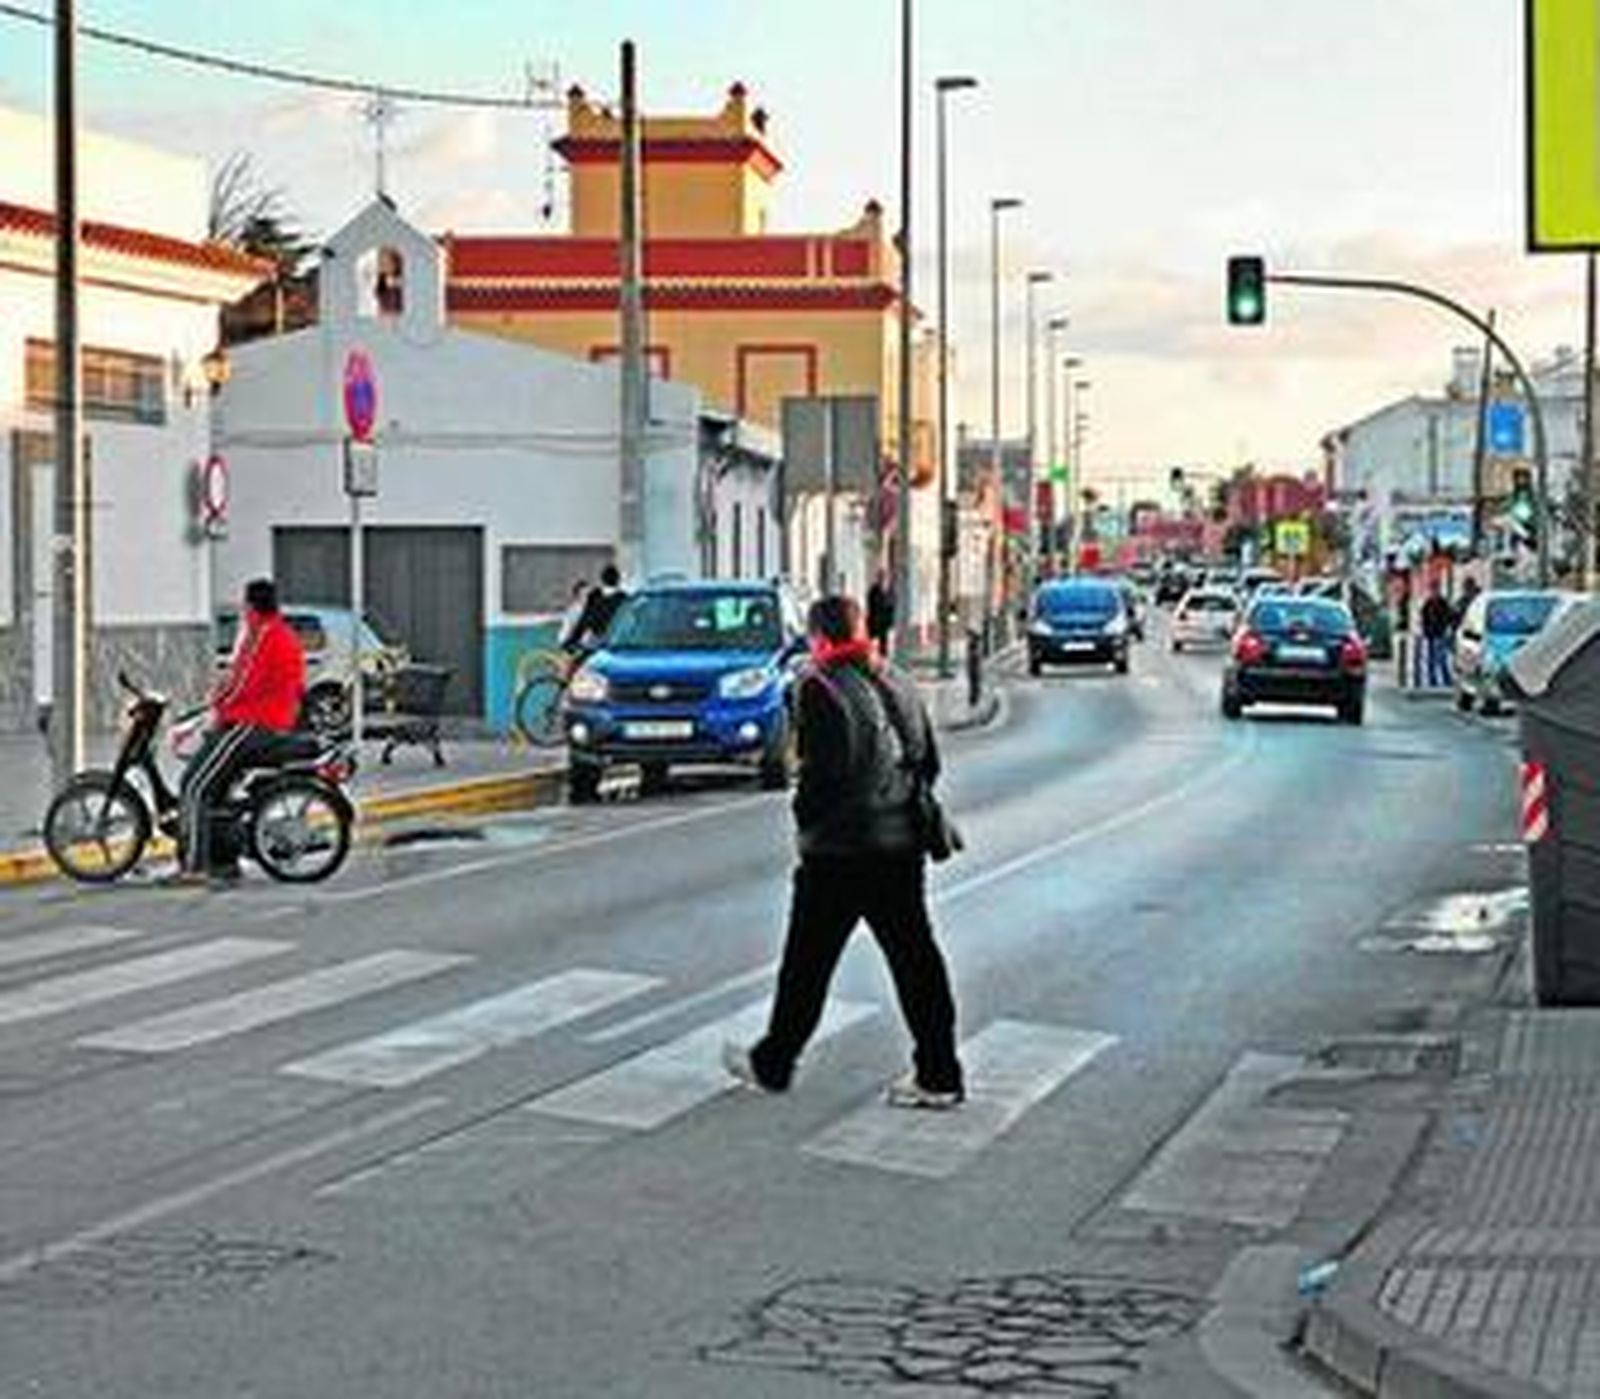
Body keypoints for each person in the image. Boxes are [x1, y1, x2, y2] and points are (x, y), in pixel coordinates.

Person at [723, 593, 966, 1109]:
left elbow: (824, 774)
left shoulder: (819, 686)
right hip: (902, 845)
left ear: (820, 638)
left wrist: (806, 821)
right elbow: (929, 760)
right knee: (917, 961)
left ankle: (774, 1061)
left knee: (806, 965)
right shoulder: (898, 678)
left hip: (840, 851)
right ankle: (940, 1072)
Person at [173, 578, 306, 884]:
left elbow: (242, 681)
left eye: (244, 604)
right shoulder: (281, 633)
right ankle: (223, 860)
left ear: (251, 606)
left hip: (252, 724)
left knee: (194, 785)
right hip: (271, 721)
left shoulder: (263, 635)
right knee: (217, 789)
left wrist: (215, 706)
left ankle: (192, 867)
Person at [561, 564, 628, 653]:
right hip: (615, 642)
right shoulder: (623, 599)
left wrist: (571, 641)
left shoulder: (595, 595)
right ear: (618, 580)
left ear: (602, 580)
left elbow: (584, 620)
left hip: (594, 639)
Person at [1420, 582, 1455, 689]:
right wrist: (1425, 631)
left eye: (1436, 590)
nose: (1434, 593)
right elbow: (1423, 619)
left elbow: (1450, 616)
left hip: (1441, 634)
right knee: (1431, 659)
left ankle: (1447, 680)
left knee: (1442, 658)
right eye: (1432, 590)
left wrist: (1447, 628)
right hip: (1431, 635)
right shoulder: (1428, 604)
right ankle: (1432, 681)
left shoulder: (1443, 603)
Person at [866, 571, 895, 659]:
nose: (883, 580)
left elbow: (892, 606)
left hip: (886, 622)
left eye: (885, 578)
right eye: (881, 578)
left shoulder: (890, 591)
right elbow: (871, 606)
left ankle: (883, 658)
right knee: (873, 642)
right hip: (875, 621)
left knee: (884, 644)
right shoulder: (873, 591)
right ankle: (873, 658)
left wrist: (891, 622)